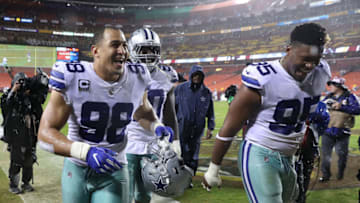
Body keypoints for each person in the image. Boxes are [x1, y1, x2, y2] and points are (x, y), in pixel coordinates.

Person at [37, 27, 173, 203]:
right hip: (77, 167)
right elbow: (45, 134)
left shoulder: (137, 76)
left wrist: (157, 126)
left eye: (124, 46)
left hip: (114, 167)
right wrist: (85, 152)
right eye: (115, 45)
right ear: (96, 51)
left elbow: (143, 113)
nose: (122, 51)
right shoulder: (72, 76)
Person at [202, 23, 331, 203]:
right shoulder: (264, 78)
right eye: (305, 58)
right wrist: (213, 168)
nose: (310, 65)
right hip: (260, 152)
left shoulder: (322, 71)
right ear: (289, 49)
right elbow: (229, 129)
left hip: (289, 157)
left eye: (316, 60)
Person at [126, 27, 180, 203]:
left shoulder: (167, 74)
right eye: (144, 50)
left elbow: (169, 111)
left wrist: (176, 140)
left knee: (144, 194)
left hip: (154, 143)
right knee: (122, 193)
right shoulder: (123, 72)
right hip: (128, 141)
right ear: (133, 50)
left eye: (153, 50)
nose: (149, 55)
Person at [0, 70, 48, 194]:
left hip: (30, 133)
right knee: (16, 159)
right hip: (17, 134)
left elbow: (40, 99)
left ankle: (26, 183)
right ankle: (13, 185)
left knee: (29, 158)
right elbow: (6, 105)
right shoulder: (10, 96)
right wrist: (14, 91)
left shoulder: (30, 98)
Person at [175, 64, 215, 178]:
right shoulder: (180, 89)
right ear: (191, 75)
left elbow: (210, 111)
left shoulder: (206, 92)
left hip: (198, 128)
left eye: (199, 75)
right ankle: (181, 177)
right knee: (182, 152)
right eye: (195, 75)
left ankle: (190, 178)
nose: (197, 77)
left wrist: (210, 127)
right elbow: (172, 108)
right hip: (182, 126)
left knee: (194, 153)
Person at [319, 77, 360, 182]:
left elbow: (358, 110)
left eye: (332, 85)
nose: (330, 87)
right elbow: (319, 110)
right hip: (327, 131)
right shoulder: (328, 97)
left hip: (343, 131)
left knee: (342, 155)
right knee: (325, 155)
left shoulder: (350, 97)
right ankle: (326, 176)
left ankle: (340, 175)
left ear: (339, 86)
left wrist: (341, 107)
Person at [295, 102, 329, 203]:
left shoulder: (319, 104)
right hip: (297, 144)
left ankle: (300, 198)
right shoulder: (318, 104)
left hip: (308, 145)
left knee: (304, 172)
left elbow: (324, 119)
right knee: (298, 172)